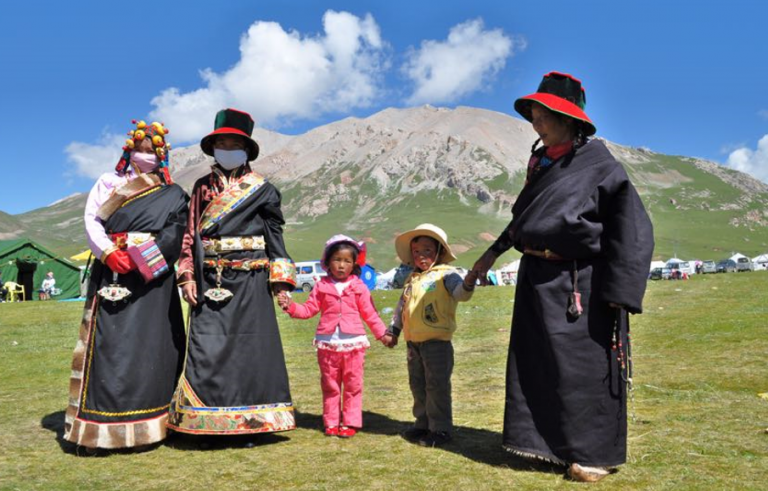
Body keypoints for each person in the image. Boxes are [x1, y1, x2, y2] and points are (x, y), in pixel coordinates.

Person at [470, 72, 654, 482]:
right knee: (537, 365)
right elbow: (522, 221)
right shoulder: (541, 163)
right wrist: (489, 255)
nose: (534, 118)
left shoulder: (601, 166)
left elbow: (632, 228)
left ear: (568, 118)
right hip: (536, 278)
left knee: (582, 370)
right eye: (533, 111)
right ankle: (544, 446)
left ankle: (591, 456)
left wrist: (620, 291)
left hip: (581, 283)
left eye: (543, 111)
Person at [169, 108, 297, 438]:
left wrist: (280, 281)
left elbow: (274, 234)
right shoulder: (200, 188)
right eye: (222, 143)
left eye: (234, 143)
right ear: (213, 148)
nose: (227, 149)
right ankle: (204, 421)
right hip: (211, 278)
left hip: (252, 278)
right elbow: (189, 234)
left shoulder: (263, 189)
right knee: (208, 346)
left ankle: (254, 425)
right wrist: (187, 276)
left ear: (246, 149)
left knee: (251, 349)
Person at [64, 119, 188, 450]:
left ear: (161, 157)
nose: (144, 156)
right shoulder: (107, 183)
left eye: (151, 152)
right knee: (108, 346)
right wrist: (107, 253)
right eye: (139, 150)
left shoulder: (173, 193)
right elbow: (92, 219)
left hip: (153, 281)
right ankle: (97, 430)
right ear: (128, 150)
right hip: (112, 275)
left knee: (152, 345)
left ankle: (151, 426)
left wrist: (140, 259)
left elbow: (175, 233)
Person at [277, 235, 393, 438]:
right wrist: (290, 306)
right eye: (337, 260)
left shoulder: (359, 287)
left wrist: (383, 335)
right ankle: (331, 421)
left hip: (354, 345)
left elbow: (370, 314)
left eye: (347, 261)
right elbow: (308, 310)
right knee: (330, 385)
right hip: (327, 345)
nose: (341, 265)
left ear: (354, 264)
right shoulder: (321, 287)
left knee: (353, 385)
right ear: (328, 262)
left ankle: (350, 422)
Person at [387, 224, 476, 447]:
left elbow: (460, 294)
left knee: (437, 386)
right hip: (412, 343)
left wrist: (468, 283)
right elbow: (402, 307)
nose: (421, 256)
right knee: (417, 384)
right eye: (416, 252)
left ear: (439, 252)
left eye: (427, 250)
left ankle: (441, 430)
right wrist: (394, 330)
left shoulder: (446, 275)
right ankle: (423, 424)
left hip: (437, 343)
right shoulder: (412, 280)